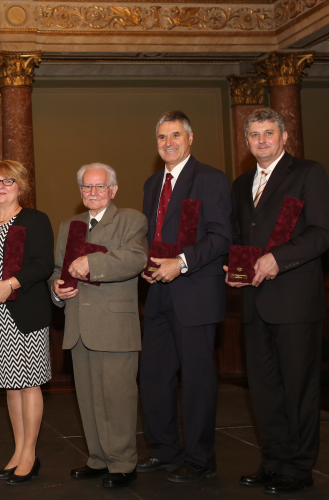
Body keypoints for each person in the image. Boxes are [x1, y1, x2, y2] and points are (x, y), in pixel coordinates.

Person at [226, 108, 329, 494]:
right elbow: (241, 236)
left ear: (284, 137)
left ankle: (300, 467)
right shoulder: (240, 184)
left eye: (269, 133)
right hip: (254, 302)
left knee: (298, 389)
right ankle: (273, 461)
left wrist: (278, 260)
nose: (261, 140)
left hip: (295, 301)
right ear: (247, 141)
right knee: (265, 389)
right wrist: (232, 266)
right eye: (254, 134)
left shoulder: (307, 173)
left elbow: (322, 232)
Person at [138, 111, 232, 482]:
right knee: (154, 377)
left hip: (195, 295)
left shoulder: (210, 179)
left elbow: (221, 236)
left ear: (190, 138)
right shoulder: (151, 184)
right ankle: (163, 451)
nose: (168, 143)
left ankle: (199, 460)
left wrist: (182, 262)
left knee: (196, 383)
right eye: (162, 137)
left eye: (175, 135)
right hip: (158, 295)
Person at [50, 163, 148, 488]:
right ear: (80, 192)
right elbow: (56, 269)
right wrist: (57, 290)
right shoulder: (69, 225)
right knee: (89, 399)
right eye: (87, 187)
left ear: (113, 190)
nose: (92, 192)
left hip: (114, 325)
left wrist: (91, 263)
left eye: (99, 187)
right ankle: (98, 458)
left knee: (117, 397)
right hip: (78, 322)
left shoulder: (131, 220)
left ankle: (122, 463)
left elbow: (135, 258)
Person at [0, 160, 54, 485]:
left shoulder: (34, 220)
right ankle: (18, 451)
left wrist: (11, 283)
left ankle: (30, 455)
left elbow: (43, 264)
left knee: (29, 383)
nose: (1, 186)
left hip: (26, 314)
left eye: (8, 181)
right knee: (10, 385)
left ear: (21, 186)